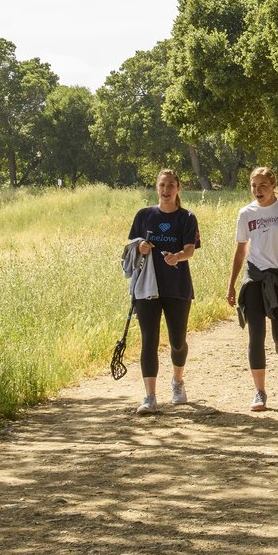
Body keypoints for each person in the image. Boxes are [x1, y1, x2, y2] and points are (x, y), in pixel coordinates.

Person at [227, 166, 278, 411]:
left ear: (273, 185)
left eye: (263, 185)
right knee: (256, 336)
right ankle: (260, 392)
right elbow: (241, 250)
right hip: (254, 278)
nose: (257, 190)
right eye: (254, 186)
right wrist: (232, 284)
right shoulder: (245, 213)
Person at [125, 169, 200, 415]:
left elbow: (190, 250)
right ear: (156, 188)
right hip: (147, 288)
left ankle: (177, 382)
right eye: (162, 185)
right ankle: (150, 396)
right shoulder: (144, 216)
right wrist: (141, 247)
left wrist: (176, 256)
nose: (166, 190)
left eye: (170, 185)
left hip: (177, 287)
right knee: (149, 339)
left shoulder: (187, 217)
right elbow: (130, 249)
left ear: (178, 188)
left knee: (178, 341)